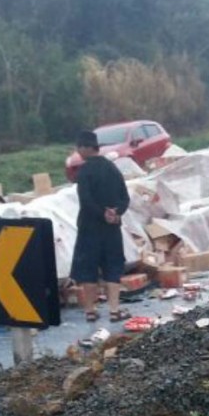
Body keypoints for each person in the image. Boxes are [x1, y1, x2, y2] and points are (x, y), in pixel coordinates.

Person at [71, 130, 130, 323]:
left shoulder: (84, 171)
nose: (78, 152)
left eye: (79, 148)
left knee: (88, 268)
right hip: (112, 228)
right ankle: (114, 310)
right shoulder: (112, 168)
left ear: (86, 148)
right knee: (113, 266)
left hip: (90, 228)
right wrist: (116, 212)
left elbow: (85, 201)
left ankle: (90, 310)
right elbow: (125, 197)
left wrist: (101, 213)